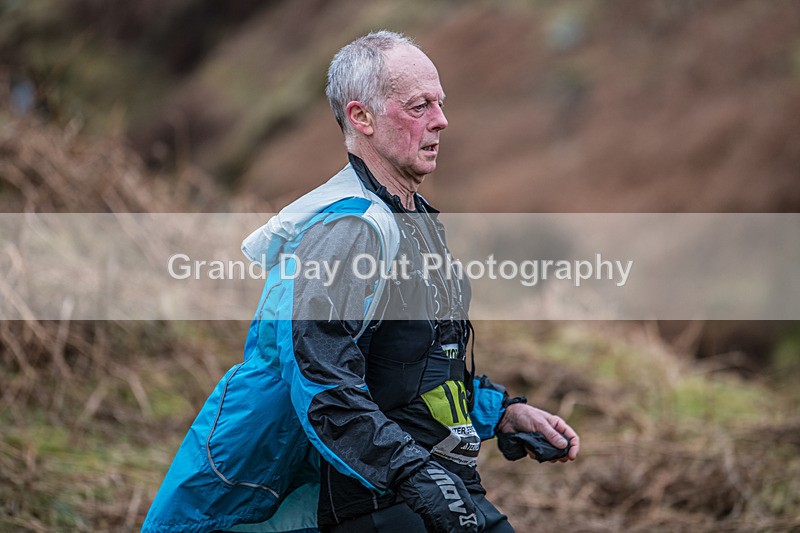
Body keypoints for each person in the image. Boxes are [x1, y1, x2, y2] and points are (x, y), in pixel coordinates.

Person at [142, 31, 579, 533]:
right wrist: (413, 475)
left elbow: (414, 373)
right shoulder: (348, 231)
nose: (441, 119)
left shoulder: (407, 218)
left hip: (426, 484)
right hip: (367, 500)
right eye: (418, 106)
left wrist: (501, 413)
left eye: (440, 103)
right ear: (361, 118)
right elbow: (325, 382)